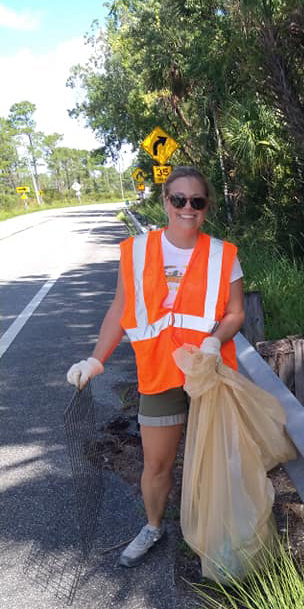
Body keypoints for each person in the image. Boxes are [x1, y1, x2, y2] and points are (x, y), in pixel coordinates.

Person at [66, 166, 245, 568]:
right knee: (157, 464)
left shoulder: (224, 255)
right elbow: (120, 308)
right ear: (165, 201)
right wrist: (97, 359)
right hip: (159, 374)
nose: (187, 208)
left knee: (219, 460)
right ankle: (153, 526)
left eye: (196, 202)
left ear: (206, 208)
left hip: (208, 373)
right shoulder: (137, 250)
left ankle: (220, 537)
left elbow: (236, 312)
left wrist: (216, 339)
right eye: (178, 199)